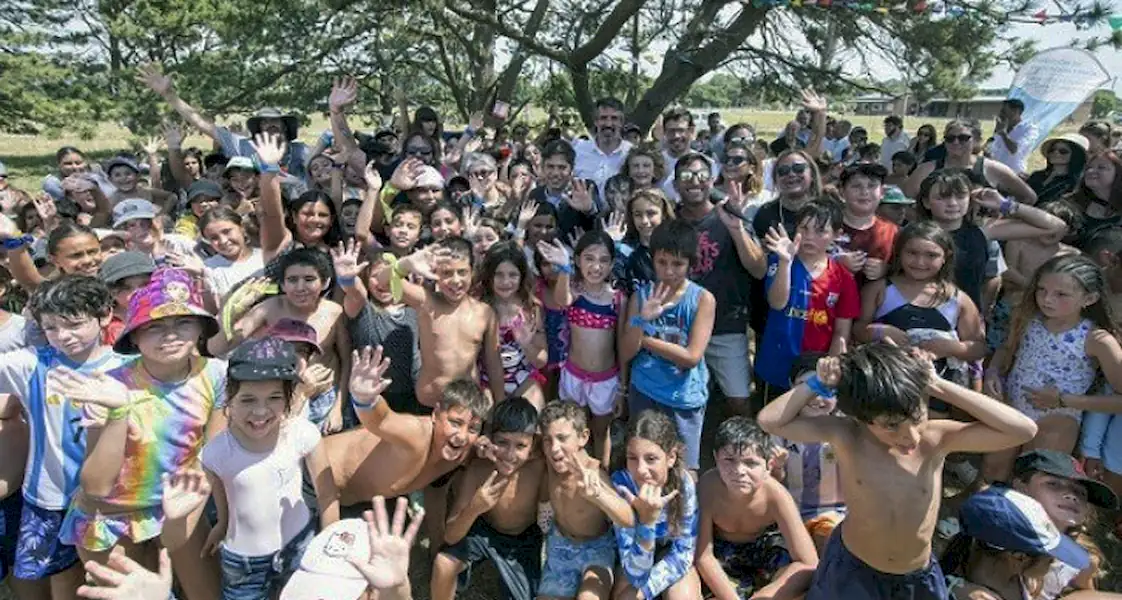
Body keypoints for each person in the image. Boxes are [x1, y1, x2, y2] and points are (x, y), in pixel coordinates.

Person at [758, 343, 1038, 600]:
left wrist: (938, 385)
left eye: (917, 417)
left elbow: (1023, 429)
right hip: (853, 569)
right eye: (891, 426)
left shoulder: (935, 439)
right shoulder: (847, 436)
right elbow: (770, 421)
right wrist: (817, 383)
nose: (911, 436)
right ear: (861, 418)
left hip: (915, 576)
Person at [57, 269, 225, 600]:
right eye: (154, 327)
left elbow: (214, 452)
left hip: (181, 504)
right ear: (133, 337)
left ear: (201, 329)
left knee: (207, 594)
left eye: (183, 323)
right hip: (110, 516)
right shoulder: (108, 386)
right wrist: (118, 413)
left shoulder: (215, 373)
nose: (171, 335)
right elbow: (96, 485)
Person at [0, 276, 125, 599]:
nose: (63, 336)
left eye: (74, 324)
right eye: (51, 328)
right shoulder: (32, 364)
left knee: (108, 576)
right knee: (57, 577)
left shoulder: (128, 368)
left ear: (105, 316)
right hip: (48, 497)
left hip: (111, 501)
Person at [201, 338, 339, 598]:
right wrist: (221, 525)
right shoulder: (215, 453)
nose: (261, 411)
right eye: (248, 400)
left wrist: (329, 547)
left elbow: (327, 495)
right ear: (229, 399)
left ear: (289, 397)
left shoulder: (303, 434)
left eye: (274, 397)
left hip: (300, 545)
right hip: (244, 563)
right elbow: (222, 497)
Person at [983, 255, 1122, 478]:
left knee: (1032, 478)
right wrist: (992, 372)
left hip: (1058, 418)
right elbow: (1007, 348)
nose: (1047, 299)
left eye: (1061, 294)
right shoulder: (1027, 316)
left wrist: (1064, 400)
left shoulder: (1098, 339)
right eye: (1041, 290)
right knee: (992, 470)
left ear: (1089, 298)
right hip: (1012, 404)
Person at [214, 248, 351, 433]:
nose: (300, 287)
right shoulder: (268, 309)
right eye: (292, 280)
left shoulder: (335, 312)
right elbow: (220, 347)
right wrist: (230, 313)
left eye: (309, 279)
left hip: (324, 399)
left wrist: (338, 409)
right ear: (283, 284)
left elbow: (347, 360)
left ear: (325, 282)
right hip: (283, 398)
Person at [856, 222, 986, 418]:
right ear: (898, 252)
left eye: (931, 255)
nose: (920, 261)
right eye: (912, 253)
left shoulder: (957, 299)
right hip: (889, 388)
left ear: (946, 257)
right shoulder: (880, 290)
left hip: (939, 395)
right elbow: (856, 330)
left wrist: (950, 348)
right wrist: (879, 332)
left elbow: (979, 346)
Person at [674, 152, 766, 416]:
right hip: (682, 326)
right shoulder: (670, 218)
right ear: (675, 184)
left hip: (726, 324)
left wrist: (736, 228)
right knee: (684, 400)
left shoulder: (729, 215)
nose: (695, 182)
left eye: (702, 175)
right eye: (686, 176)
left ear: (712, 180)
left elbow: (758, 269)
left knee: (739, 400)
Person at [621, 220, 716, 471]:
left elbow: (691, 356)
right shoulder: (640, 296)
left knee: (684, 468)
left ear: (690, 264)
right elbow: (626, 351)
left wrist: (646, 340)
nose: (669, 271)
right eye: (662, 262)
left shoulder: (702, 299)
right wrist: (642, 318)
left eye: (678, 264)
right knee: (644, 464)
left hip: (684, 398)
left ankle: (686, 511)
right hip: (645, 390)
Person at [431, 397, 546, 600]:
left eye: (520, 446)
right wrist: (475, 508)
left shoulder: (539, 467)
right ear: (490, 438)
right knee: (443, 563)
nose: (510, 455)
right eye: (502, 442)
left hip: (523, 541)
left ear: (533, 445)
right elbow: (450, 535)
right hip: (483, 532)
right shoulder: (478, 469)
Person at [367, 238, 504, 407]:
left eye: (462, 272)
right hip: (430, 401)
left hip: (467, 404)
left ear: (472, 272)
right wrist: (406, 264)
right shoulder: (426, 301)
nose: (455, 280)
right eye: (446, 273)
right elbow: (382, 281)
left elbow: (494, 364)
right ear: (434, 273)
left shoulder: (485, 313)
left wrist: (500, 402)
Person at [696, 416, 818, 600]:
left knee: (800, 580)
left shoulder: (776, 494)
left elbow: (808, 563)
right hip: (724, 556)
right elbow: (703, 556)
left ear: (768, 465)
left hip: (766, 550)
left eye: (751, 463)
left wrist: (765, 596)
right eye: (729, 460)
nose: (739, 471)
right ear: (715, 458)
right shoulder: (708, 487)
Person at [915, 169, 1065, 311]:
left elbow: (1055, 227)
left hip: (965, 318)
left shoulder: (983, 231)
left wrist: (1004, 204)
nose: (953, 203)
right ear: (926, 202)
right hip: (917, 310)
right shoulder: (912, 233)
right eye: (943, 197)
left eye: (960, 196)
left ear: (970, 199)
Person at [755, 199, 859, 401]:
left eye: (820, 231)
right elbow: (777, 303)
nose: (810, 237)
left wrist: (832, 368)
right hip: (776, 366)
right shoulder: (780, 261)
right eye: (805, 228)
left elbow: (841, 333)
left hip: (814, 372)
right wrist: (785, 262)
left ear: (836, 235)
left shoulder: (843, 278)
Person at [137, 63, 310, 181]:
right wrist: (170, 95)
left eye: (276, 122)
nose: (271, 126)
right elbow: (200, 123)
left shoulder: (302, 151)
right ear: (258, 129)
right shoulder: (243, 146)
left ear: (286, 128)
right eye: (265, 123)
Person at [538, 231, 626, 463]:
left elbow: (621, 345)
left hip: (605, 381)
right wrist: (565, 269)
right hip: (573, 376)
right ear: (577, 260)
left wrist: (622, 388)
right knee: (572, 430)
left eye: (603, 260)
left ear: (612, 264)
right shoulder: (574, 291)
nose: (596, 266)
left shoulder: (618, 299)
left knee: (600, 432)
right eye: (589, 258)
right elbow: (561, 300)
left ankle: (602, 475)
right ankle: (573, 473)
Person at [537, 400, 631, 600]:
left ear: (583, 437)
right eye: (548, 439)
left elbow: (628, 518)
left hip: (597, 549)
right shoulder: (551, 460)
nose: (554, 448)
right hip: (560, 547)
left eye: (562, 438)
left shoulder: (596, 474)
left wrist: (599, 496)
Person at [609, 409, 701, 600]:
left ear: (671, 457)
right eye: (632, 458)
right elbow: (634, 575)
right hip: (634, 557)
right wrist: (647, 523)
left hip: (670, 555)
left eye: (651, 459)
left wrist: (645, 592)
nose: (641, 470)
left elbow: (684, 554)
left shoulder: (684, 484)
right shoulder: (621, 487)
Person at [941, 486, 1090, 600]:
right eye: (1050, 558)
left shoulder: (1019, 578)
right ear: (1019, 557)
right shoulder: (974, 596)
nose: (1055, 561)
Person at [1010, 449, 1119, 598]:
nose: (1072, 496)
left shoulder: (1082, 561)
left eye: (1080, 492)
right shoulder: (999, 538)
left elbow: (1086, 593)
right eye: (1053, 484)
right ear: (1021, 487)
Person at [475, 242, 547, 410]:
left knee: (531, 421)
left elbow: (541, 361)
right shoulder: (479, 307)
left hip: (522, 379)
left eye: (512, 275)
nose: (505, 281)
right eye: (498, 275)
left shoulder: (531, 309)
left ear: (522, 276)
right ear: (489, 276)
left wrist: (526, 344)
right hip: (487, 382)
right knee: (489, 423)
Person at [904, 120, 1037, 206]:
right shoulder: (926, 169)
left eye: (963, 138)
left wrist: (1003, 211)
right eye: (950, 138)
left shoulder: (992, 169)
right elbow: (905, 201)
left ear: (976, 141)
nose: (956, 142)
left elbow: (1029, 197)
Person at [528, 140, 606, 240]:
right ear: (543, 167)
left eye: (562, 167)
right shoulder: (536, 194)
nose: (555, 173)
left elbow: (600, 226)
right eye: (550, 167)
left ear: (572, 169)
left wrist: (589, 210)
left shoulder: (584, 188)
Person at [836, 162, 897, 288]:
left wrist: (886, 269)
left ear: (882, 192)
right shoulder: (826, 226)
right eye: (856, 186)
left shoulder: (891, 231)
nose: (864, 192)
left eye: (872, 186)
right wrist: (835, 261)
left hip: (875, 303)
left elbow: (904, 269)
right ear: (842, 192)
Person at [573, 97, 632, 195]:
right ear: (596, 121)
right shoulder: (579, 151)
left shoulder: (631, 153)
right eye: (603, 118)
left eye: (614, 118)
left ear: (621, 122)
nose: (608, 124)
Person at [621, 189, 674, 295]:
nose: (644, 221)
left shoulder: (678, 249)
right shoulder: (624, 253)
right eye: (638, 214)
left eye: (651, 213)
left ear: (663, 214)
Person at [1027, 134, 1089, 206]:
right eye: (1052, 150)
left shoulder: (1077, 184)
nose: (1055, 153)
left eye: (1063, 151)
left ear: (1076, 155)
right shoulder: (1037, 175)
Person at [991, 99, 1041, 176]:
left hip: (1014, 174)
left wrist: (1003, 134)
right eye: (1001, 111)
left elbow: (1014, 150)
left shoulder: (1029, 129)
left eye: (1004, 111)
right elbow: (993, 147)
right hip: (995, 171)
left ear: (1017, 111)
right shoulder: (1002, 126)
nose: (1001, 114)